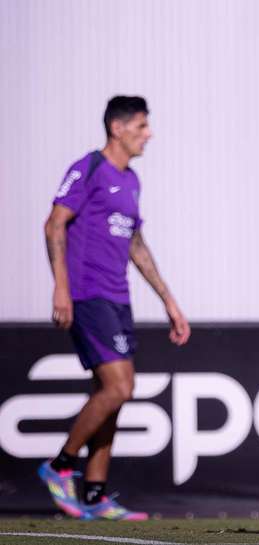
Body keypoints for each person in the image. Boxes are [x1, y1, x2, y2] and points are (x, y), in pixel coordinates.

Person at [40, 96, 190, 520]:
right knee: (119, 387)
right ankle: (60, 466)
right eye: (142, 126)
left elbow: (137, 247)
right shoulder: (87, 168)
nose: (149, 134)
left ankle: (95, 493)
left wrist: (170, 302)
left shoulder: (131, 181)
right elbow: (53, 224)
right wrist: (61, 290)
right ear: (118, 128)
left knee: (112, 395)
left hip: (118, 298)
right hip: (88, 296)